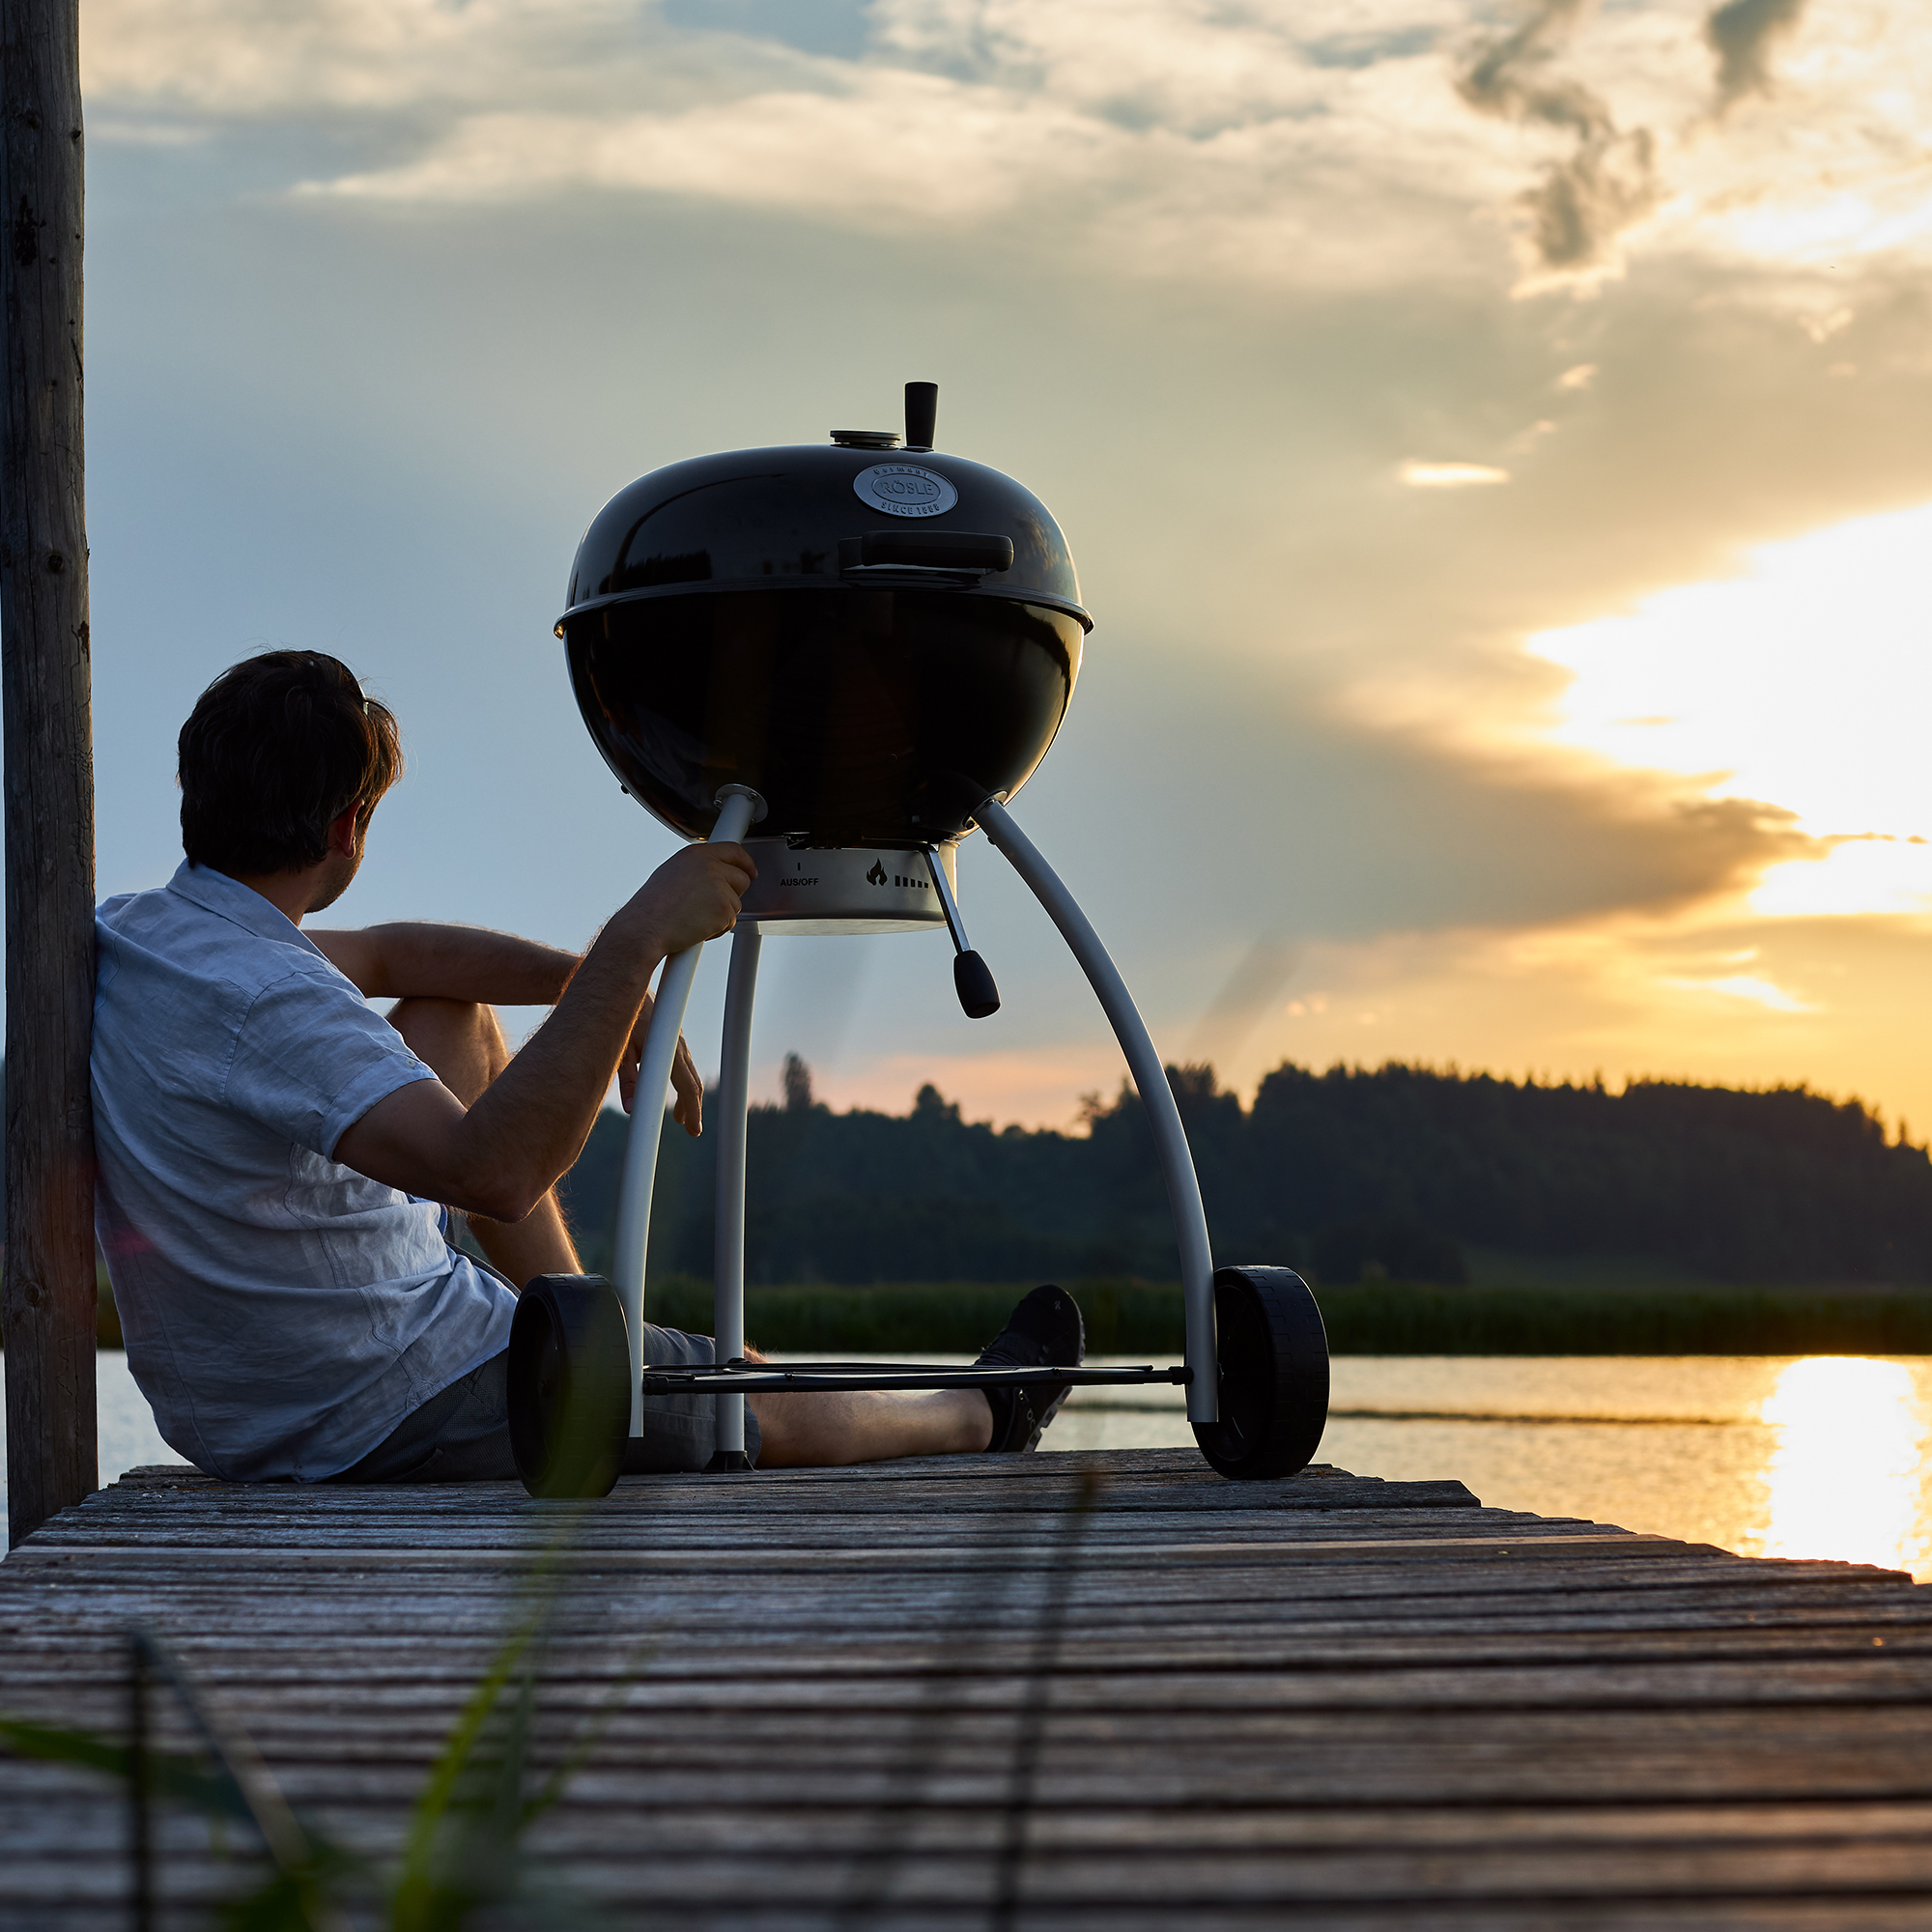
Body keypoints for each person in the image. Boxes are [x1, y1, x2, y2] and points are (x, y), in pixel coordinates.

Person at [91, 651, 1083, 1485]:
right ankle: (980, 1414)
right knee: (739, 1391)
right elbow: (495, 1172)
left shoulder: (157, 939)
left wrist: (595, 991)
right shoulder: (276, 997)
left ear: (200, 791)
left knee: (451, 1010)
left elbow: (400, 957)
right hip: (366, 1399)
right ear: (350, 826)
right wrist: (635, 941)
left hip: (243, 1398)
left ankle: (584, 1332)